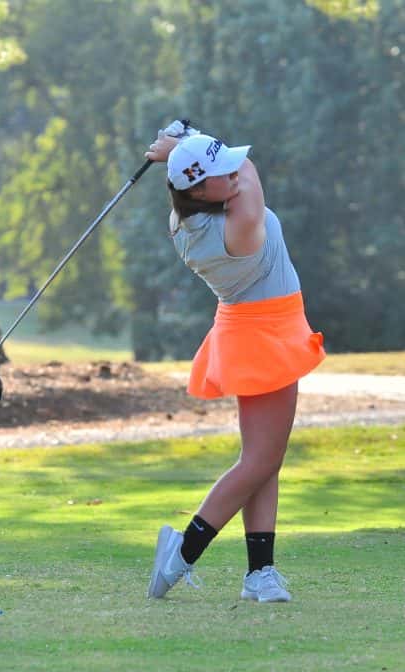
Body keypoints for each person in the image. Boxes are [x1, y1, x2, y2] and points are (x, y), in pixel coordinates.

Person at [144, 121, 325, 603]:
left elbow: (220, 173)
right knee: (261, 460)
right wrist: (184, 143)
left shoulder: (185, 219)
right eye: (218, 173)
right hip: (267, 332)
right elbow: (249, 169)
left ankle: (260, 572)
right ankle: (183, 551)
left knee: (264, 459)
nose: (231, 174)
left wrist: (182, 151)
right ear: (200, 190)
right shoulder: (240, 225)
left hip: (254, 328)